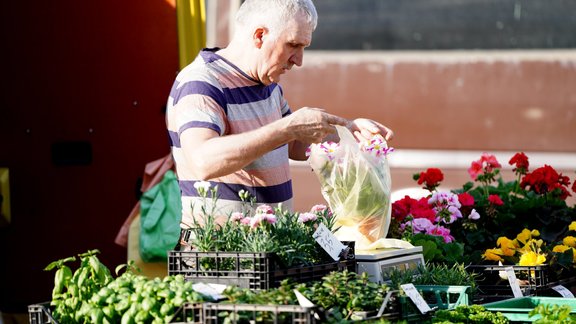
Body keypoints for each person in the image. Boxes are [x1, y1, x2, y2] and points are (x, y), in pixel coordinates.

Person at [166, 0, 393, 244]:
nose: (299, 60)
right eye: (293, 45)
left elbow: (294, 144)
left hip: (266, 248)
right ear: (260, 35)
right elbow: (203, 161)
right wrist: (287, 127)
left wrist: (349, 132)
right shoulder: (202, 82)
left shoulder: (268, 85)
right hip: (219, 252)